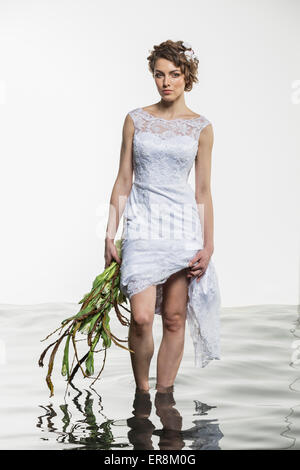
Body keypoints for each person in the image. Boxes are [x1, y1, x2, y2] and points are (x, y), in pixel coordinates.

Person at [104, 39, 221, 395]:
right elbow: (124, 179)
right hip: (142, 224)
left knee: (173, 318)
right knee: (141, 318)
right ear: (153, 77)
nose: (166, 82)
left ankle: (164, 396)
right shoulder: (135, 120)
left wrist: (209, 244)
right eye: (159, 74)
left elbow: (202, 191)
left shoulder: (201, 127)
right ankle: (142, 394)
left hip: (183, 228)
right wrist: (109, 234)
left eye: (174, 74)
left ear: (188, 76)